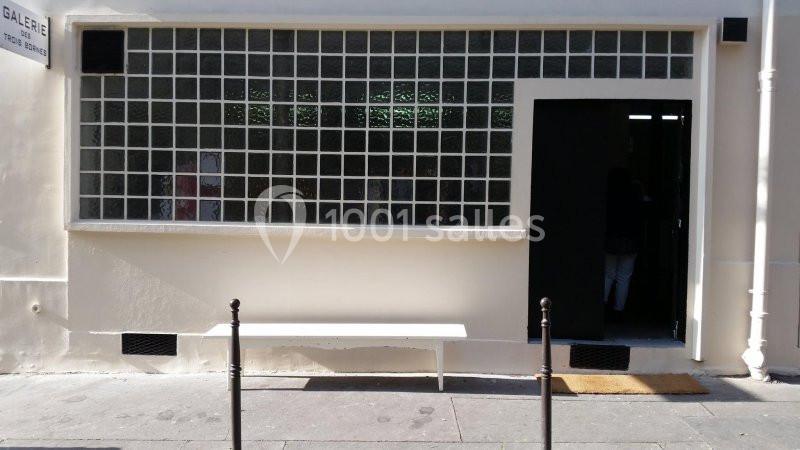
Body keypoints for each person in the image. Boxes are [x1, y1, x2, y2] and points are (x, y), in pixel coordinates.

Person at [603, 168, 644, 314]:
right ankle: (619, 309)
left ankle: (603, 305)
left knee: (608, 274)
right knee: (624, 276)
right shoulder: (635, 195)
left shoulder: (609, 196)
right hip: (630, 240)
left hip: (612, 239)